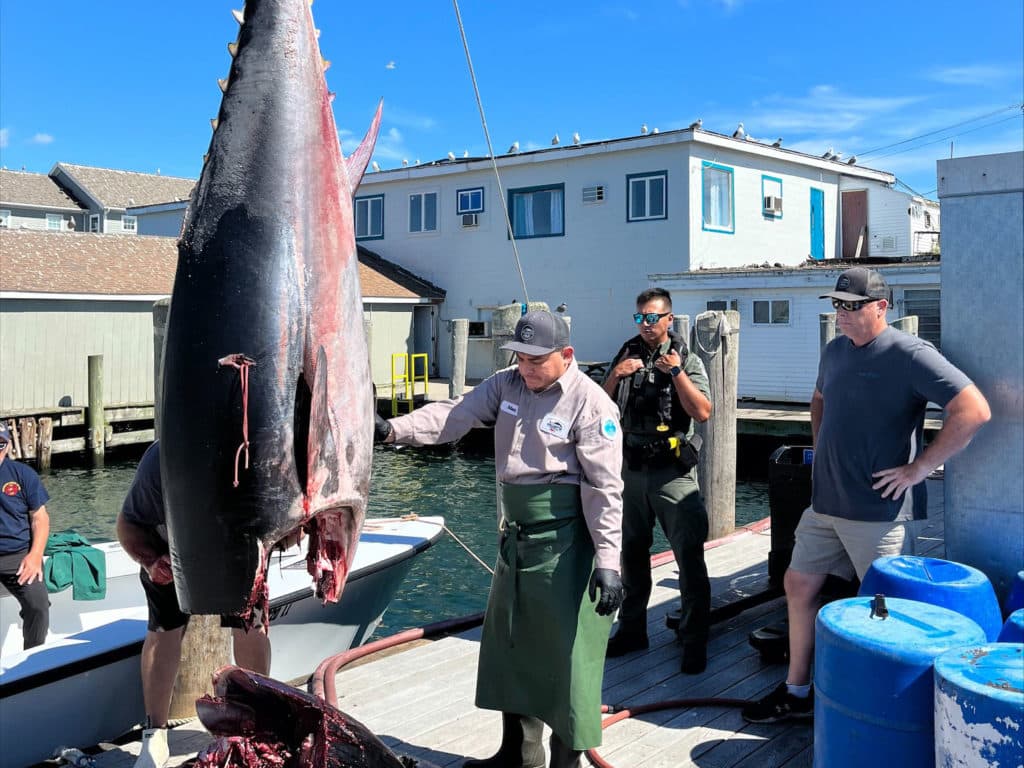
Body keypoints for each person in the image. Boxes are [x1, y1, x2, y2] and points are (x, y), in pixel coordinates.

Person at [375, 309, 624, 768]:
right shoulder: (506, 384)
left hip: (567, 544)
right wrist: (394, 430)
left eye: (536, 359)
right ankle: (517, 756)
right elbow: (455, 415)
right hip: (517, 539)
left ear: (566, 355)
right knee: (511, 644)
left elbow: (605, 489)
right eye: (520, 357)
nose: (526, 368)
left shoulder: (592, 405)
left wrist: (609, 561)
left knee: (570, 659)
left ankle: (564, 763)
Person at [741, 266, 992, 723]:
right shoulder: (835, 351)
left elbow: (974, 409)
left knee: (888, 611)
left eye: (852, 306)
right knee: (797, 585)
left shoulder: (910, 353)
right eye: (837, 305)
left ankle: (883, 714)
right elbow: (819, 399)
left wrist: (919, 468)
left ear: (882, 306)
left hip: (879, 512)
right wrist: (821, 446)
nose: (842, 314)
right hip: (825, 505)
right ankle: (798, 691)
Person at [118, 441, 273, 768]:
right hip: (170, 550)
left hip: (236, 549)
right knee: (163, 632)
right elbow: (128, 524)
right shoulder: (159, 459)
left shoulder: (254, 450)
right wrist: (150, 561)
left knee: (250, 627)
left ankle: (256, 721)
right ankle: (155, 734)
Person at [600, 288, 713, 674]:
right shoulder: (625, 355)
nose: (646, 325)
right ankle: (632, 630)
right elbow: (599, 406)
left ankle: (694, 637)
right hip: (630, 470)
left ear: (669, 319)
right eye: (640, 318)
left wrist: (676, 372)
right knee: (631, 554)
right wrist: (617, 374)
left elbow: (703, 411)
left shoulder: (687, 358)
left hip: (672, 472)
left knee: (689, 556)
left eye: (653, 318)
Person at [0, 421, 51, 650]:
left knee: (38, 604)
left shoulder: (22, 474)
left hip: (18, 555)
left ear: (8, 445)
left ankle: (31, 659)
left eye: (0, 445)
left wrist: (34, 555)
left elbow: (40, 518)